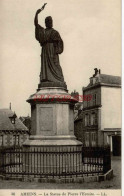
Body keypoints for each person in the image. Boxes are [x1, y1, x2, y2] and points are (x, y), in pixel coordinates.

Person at [34, 6, 65, 84]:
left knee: (56, 65)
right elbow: (36, 24)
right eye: (49, 21)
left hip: (52, 51)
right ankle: (46, 79)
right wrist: (37, 13)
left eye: (51, 21)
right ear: (46, 23)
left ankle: (59, 79)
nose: (51, 23)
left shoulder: (55, 32)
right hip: (45, 50)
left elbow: (60, 42)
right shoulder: (43, 31)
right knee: (45, 67)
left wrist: (57, 50)